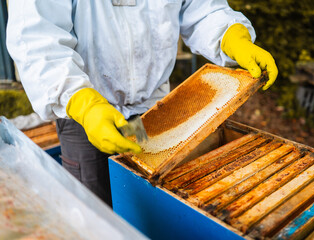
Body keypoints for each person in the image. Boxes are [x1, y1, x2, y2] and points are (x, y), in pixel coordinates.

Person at [6, 0, 277, 207]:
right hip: (84, 113)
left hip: (153, 111)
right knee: (94, 207)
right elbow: (37, 39)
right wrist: (84, 104)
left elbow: (201, 8)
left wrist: (230, 36)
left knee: (144, 199)